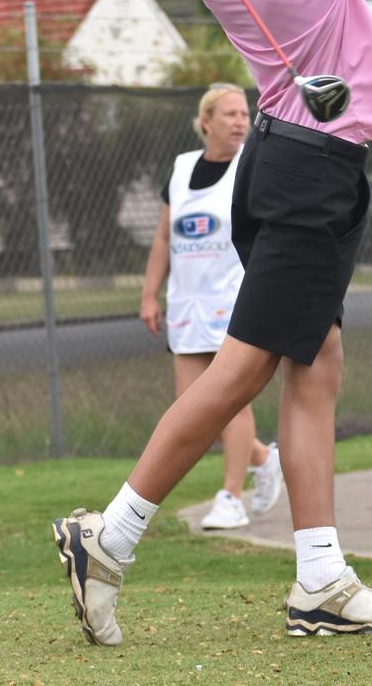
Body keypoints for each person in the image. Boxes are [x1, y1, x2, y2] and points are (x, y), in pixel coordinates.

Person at [53, 0, 372, 645]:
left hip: (275, 157)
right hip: (313, 170)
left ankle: (320, 580)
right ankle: (108, 538)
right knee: (243, 371)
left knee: (316, 363)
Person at [140, 83, 282, 529]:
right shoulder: (182, 170)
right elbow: (164, 237)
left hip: (235, 301)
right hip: (186, 303)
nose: (241, 120)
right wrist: (149, 294)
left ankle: (230, 497)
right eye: (230, 114)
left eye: (245, 113)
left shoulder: (252, 165)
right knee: (192, 405)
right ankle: (264, 457)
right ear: (206, 122)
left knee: (230, 401)